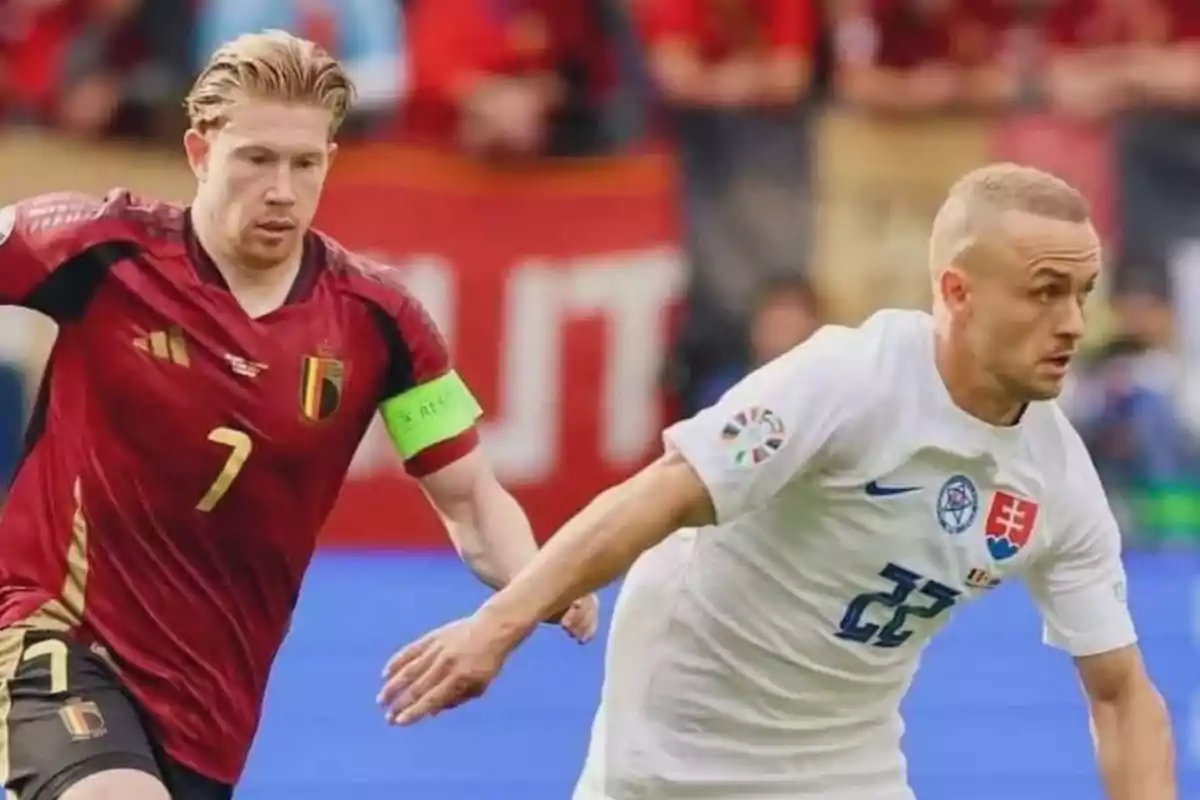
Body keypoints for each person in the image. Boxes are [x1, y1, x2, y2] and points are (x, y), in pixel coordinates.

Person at [380, 163, 1177, 799]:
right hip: (677, 744)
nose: (1074, 322)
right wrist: (498, 627)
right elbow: (660, 494)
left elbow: (1122, 695)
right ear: (957, 294)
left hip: (846, 764)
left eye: (1082, 293)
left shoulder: (1058, 479)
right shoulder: (848, 380)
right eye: (1045, 291)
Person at [0, 30, 598, 800]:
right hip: (50, 634)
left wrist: (539, 580)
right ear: (199, 152)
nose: (281, 188)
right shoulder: (98, 247)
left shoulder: (382, 321)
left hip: (208, 710)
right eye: (256, 158)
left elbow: (472, 501)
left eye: (304, 163)